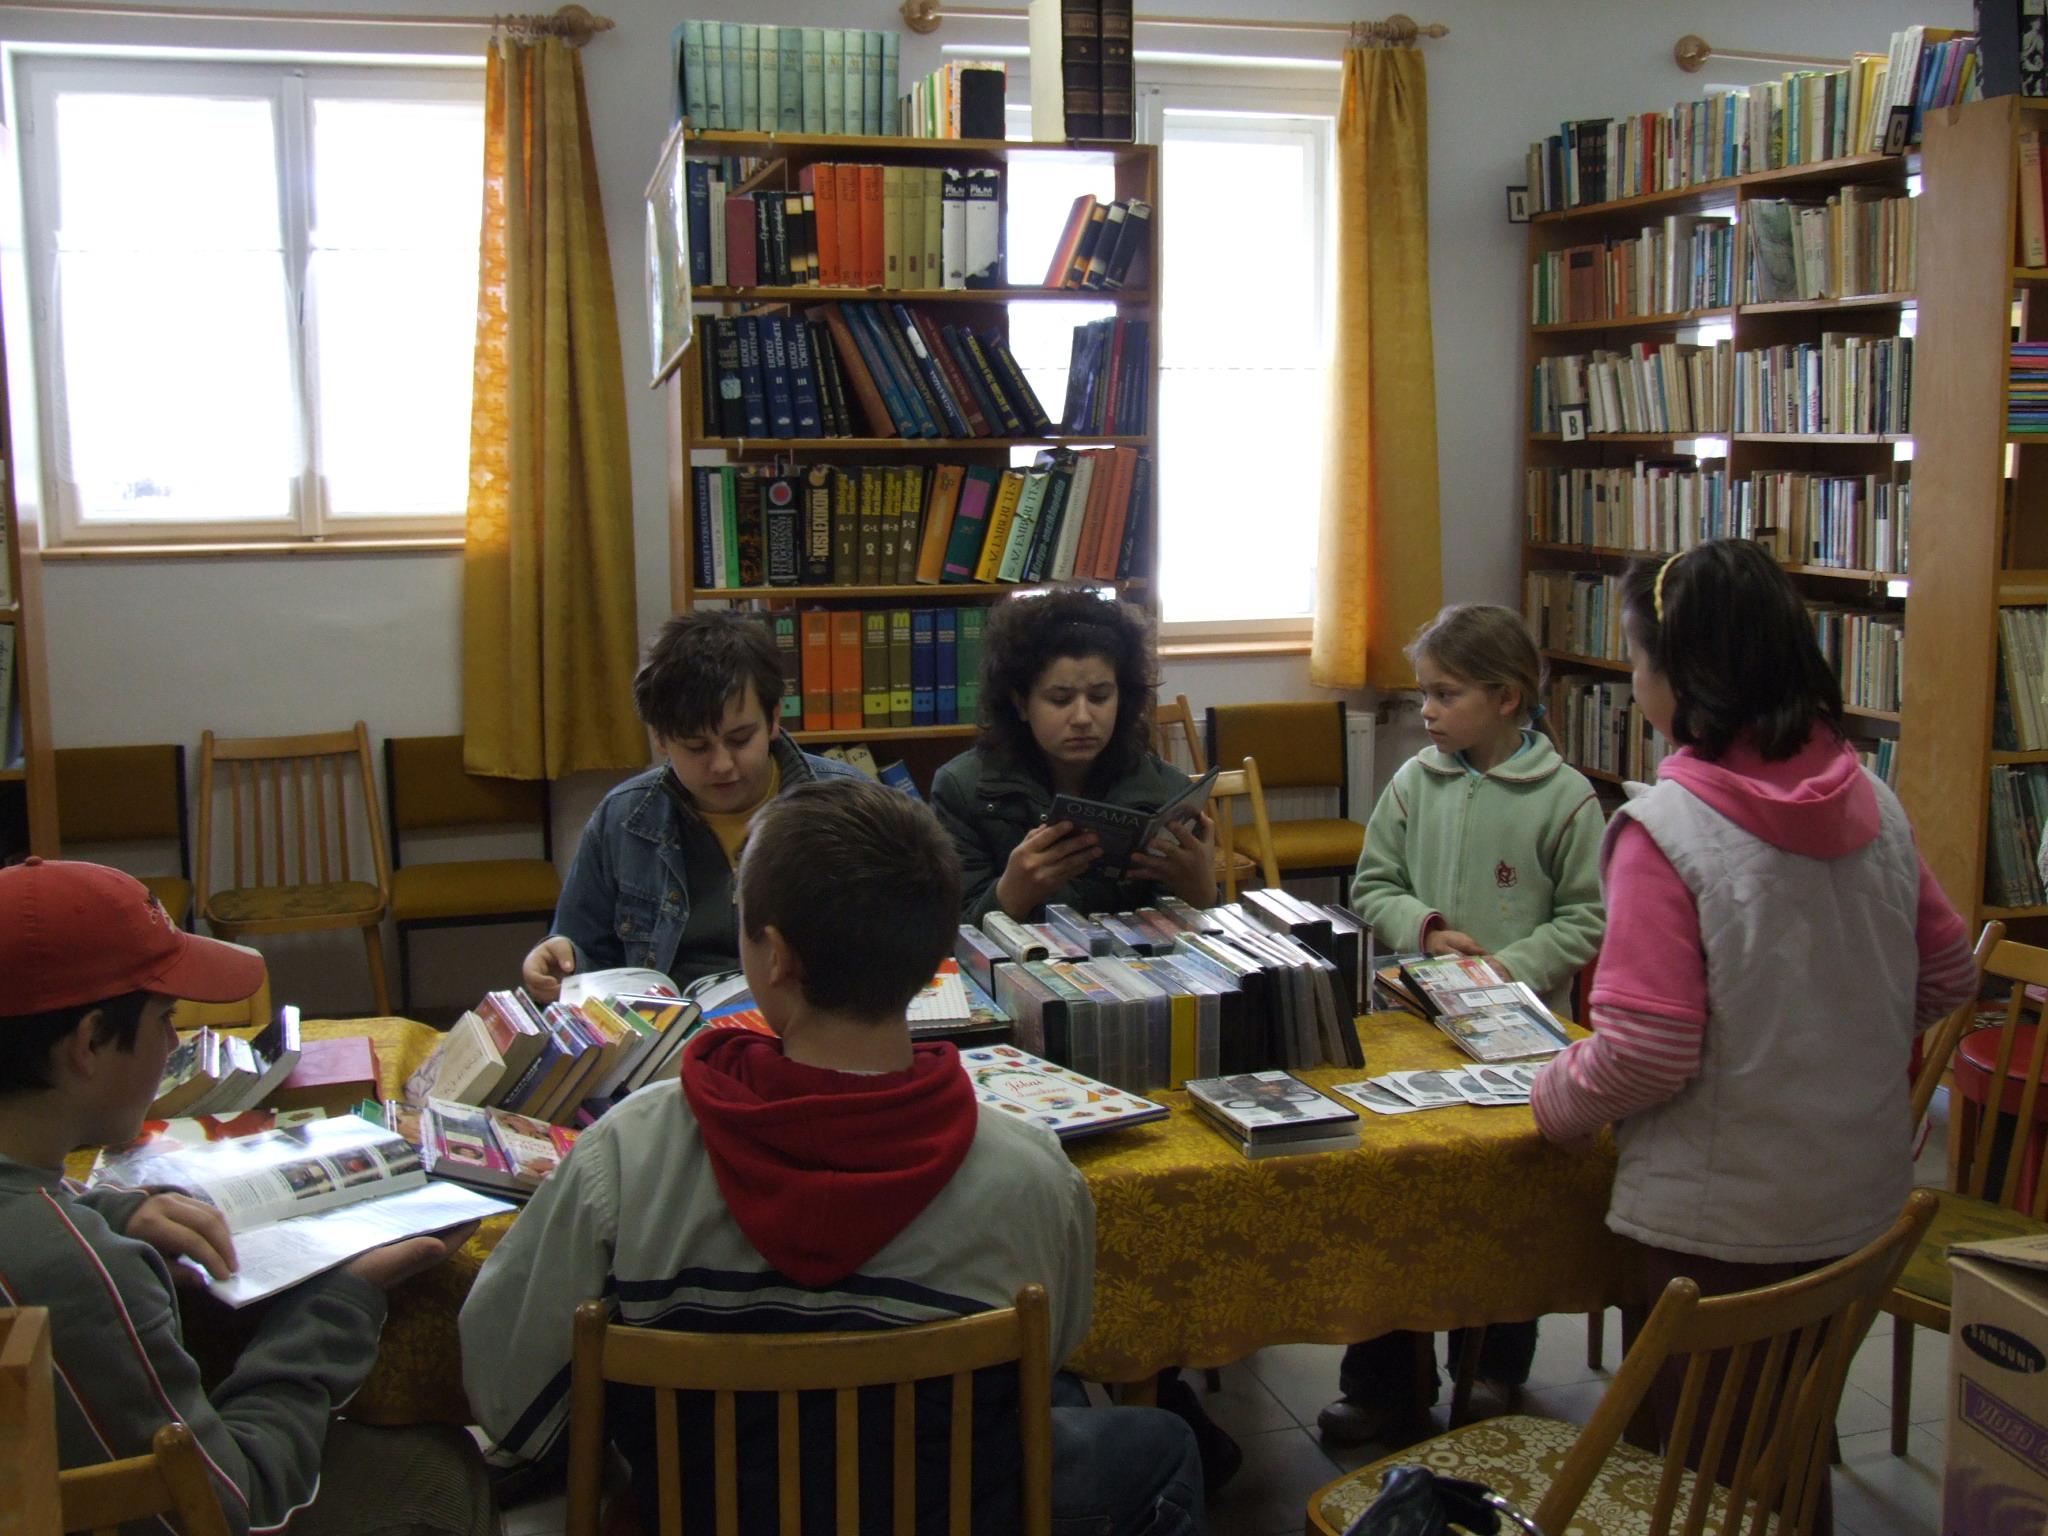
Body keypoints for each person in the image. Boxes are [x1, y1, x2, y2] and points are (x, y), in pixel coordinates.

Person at [462, 779, 1204, 1536]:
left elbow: (506, 1395)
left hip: (698, 1515)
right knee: (1149, 1439)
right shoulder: (1032, 1174)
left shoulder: (627, 1153)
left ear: (776, 958)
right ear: (934, 961)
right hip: (937, 1510)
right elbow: (1047, 1360)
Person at [1530, 541, 1976, 1536]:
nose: (1632, 680)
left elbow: (1647, 1052)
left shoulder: (1664, 831)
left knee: (1703, 1481)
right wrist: (1836, 1033)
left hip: (1720, 1224)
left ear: (1681, 676)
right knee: (1784, 1446)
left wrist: (1553, 1098)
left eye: (1637, 658)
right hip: (1855, 1202)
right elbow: (1949, 976)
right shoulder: (1874, 802)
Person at [0, 858, 488, 1536]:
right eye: (167, 1019)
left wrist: (109, 1208)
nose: (175, 1044)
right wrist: (340, 1300)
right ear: (89, 1043)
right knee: (437, 1468)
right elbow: (231, 1504)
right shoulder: (78, 1273)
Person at [1320, 603, 1606, 1449]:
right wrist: (1427, 928)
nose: (1428, 712)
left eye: (1445, 695)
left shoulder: (1566, 799)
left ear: (1507, 697)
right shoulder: (1414, 783)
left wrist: (1508, 969)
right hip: (1409, 1027)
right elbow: (1372, 885)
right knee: (1393, 1196)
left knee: (1504, 1202)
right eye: (1425, 694)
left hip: (1520, 1039)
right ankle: (1384, 1383)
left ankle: (1493, 1368)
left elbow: (1589, 917)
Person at [521, 609, 863, 1001]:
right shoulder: (623, 819)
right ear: (660, 739)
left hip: (812, 1022)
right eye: (696, 747)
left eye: (740, 739)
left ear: (773, 719)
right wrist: (561, 961)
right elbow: (583, 953)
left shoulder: (850, 806)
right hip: (673, 1027)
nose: (722, 765)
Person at [930, 588, 1215, 924]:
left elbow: (1194, 937)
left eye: (1100, 696)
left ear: (1122, 699)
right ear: (1021, 704)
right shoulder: (961, 789)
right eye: (1060, 699)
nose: (1082, 717)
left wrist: (1203, 895)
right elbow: (949, 937)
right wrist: (1009, 895)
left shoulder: (1168, 789)